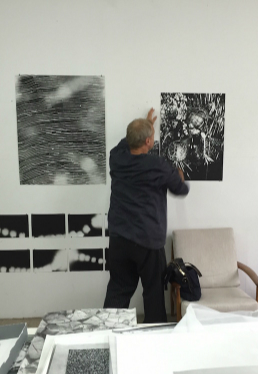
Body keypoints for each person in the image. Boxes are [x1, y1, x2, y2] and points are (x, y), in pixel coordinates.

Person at [103, 108, 189, 323]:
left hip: (119, 238)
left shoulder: (116, 158)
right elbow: (181, 189)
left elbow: (126, 144)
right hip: (148, 242)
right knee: (153, 292)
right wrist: (179, 176)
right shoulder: (157, 165)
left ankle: (107, 333)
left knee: (118, 289)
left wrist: (144, 127)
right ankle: (153, 338)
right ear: (149, 142)